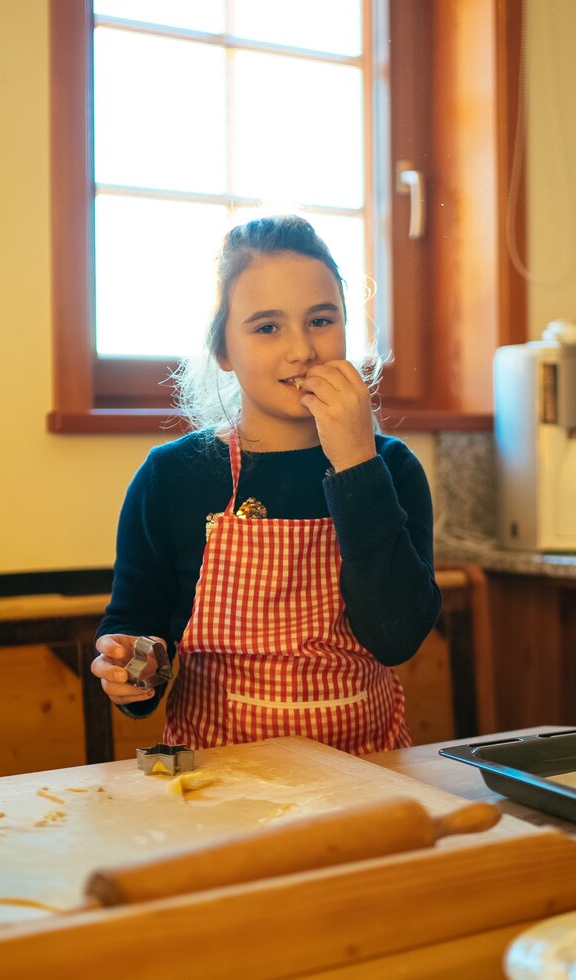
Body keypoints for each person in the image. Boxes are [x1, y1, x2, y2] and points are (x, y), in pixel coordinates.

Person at [91, 214, 440, 755]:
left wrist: (354, 463)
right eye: (267, 327)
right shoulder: (172, 477)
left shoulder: (390, 469)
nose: (302, 350)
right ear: (224, 351)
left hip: (368, 777)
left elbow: (396, 638)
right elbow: (136, 639)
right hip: (218, 785)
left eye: (322, 320)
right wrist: (133, 669)